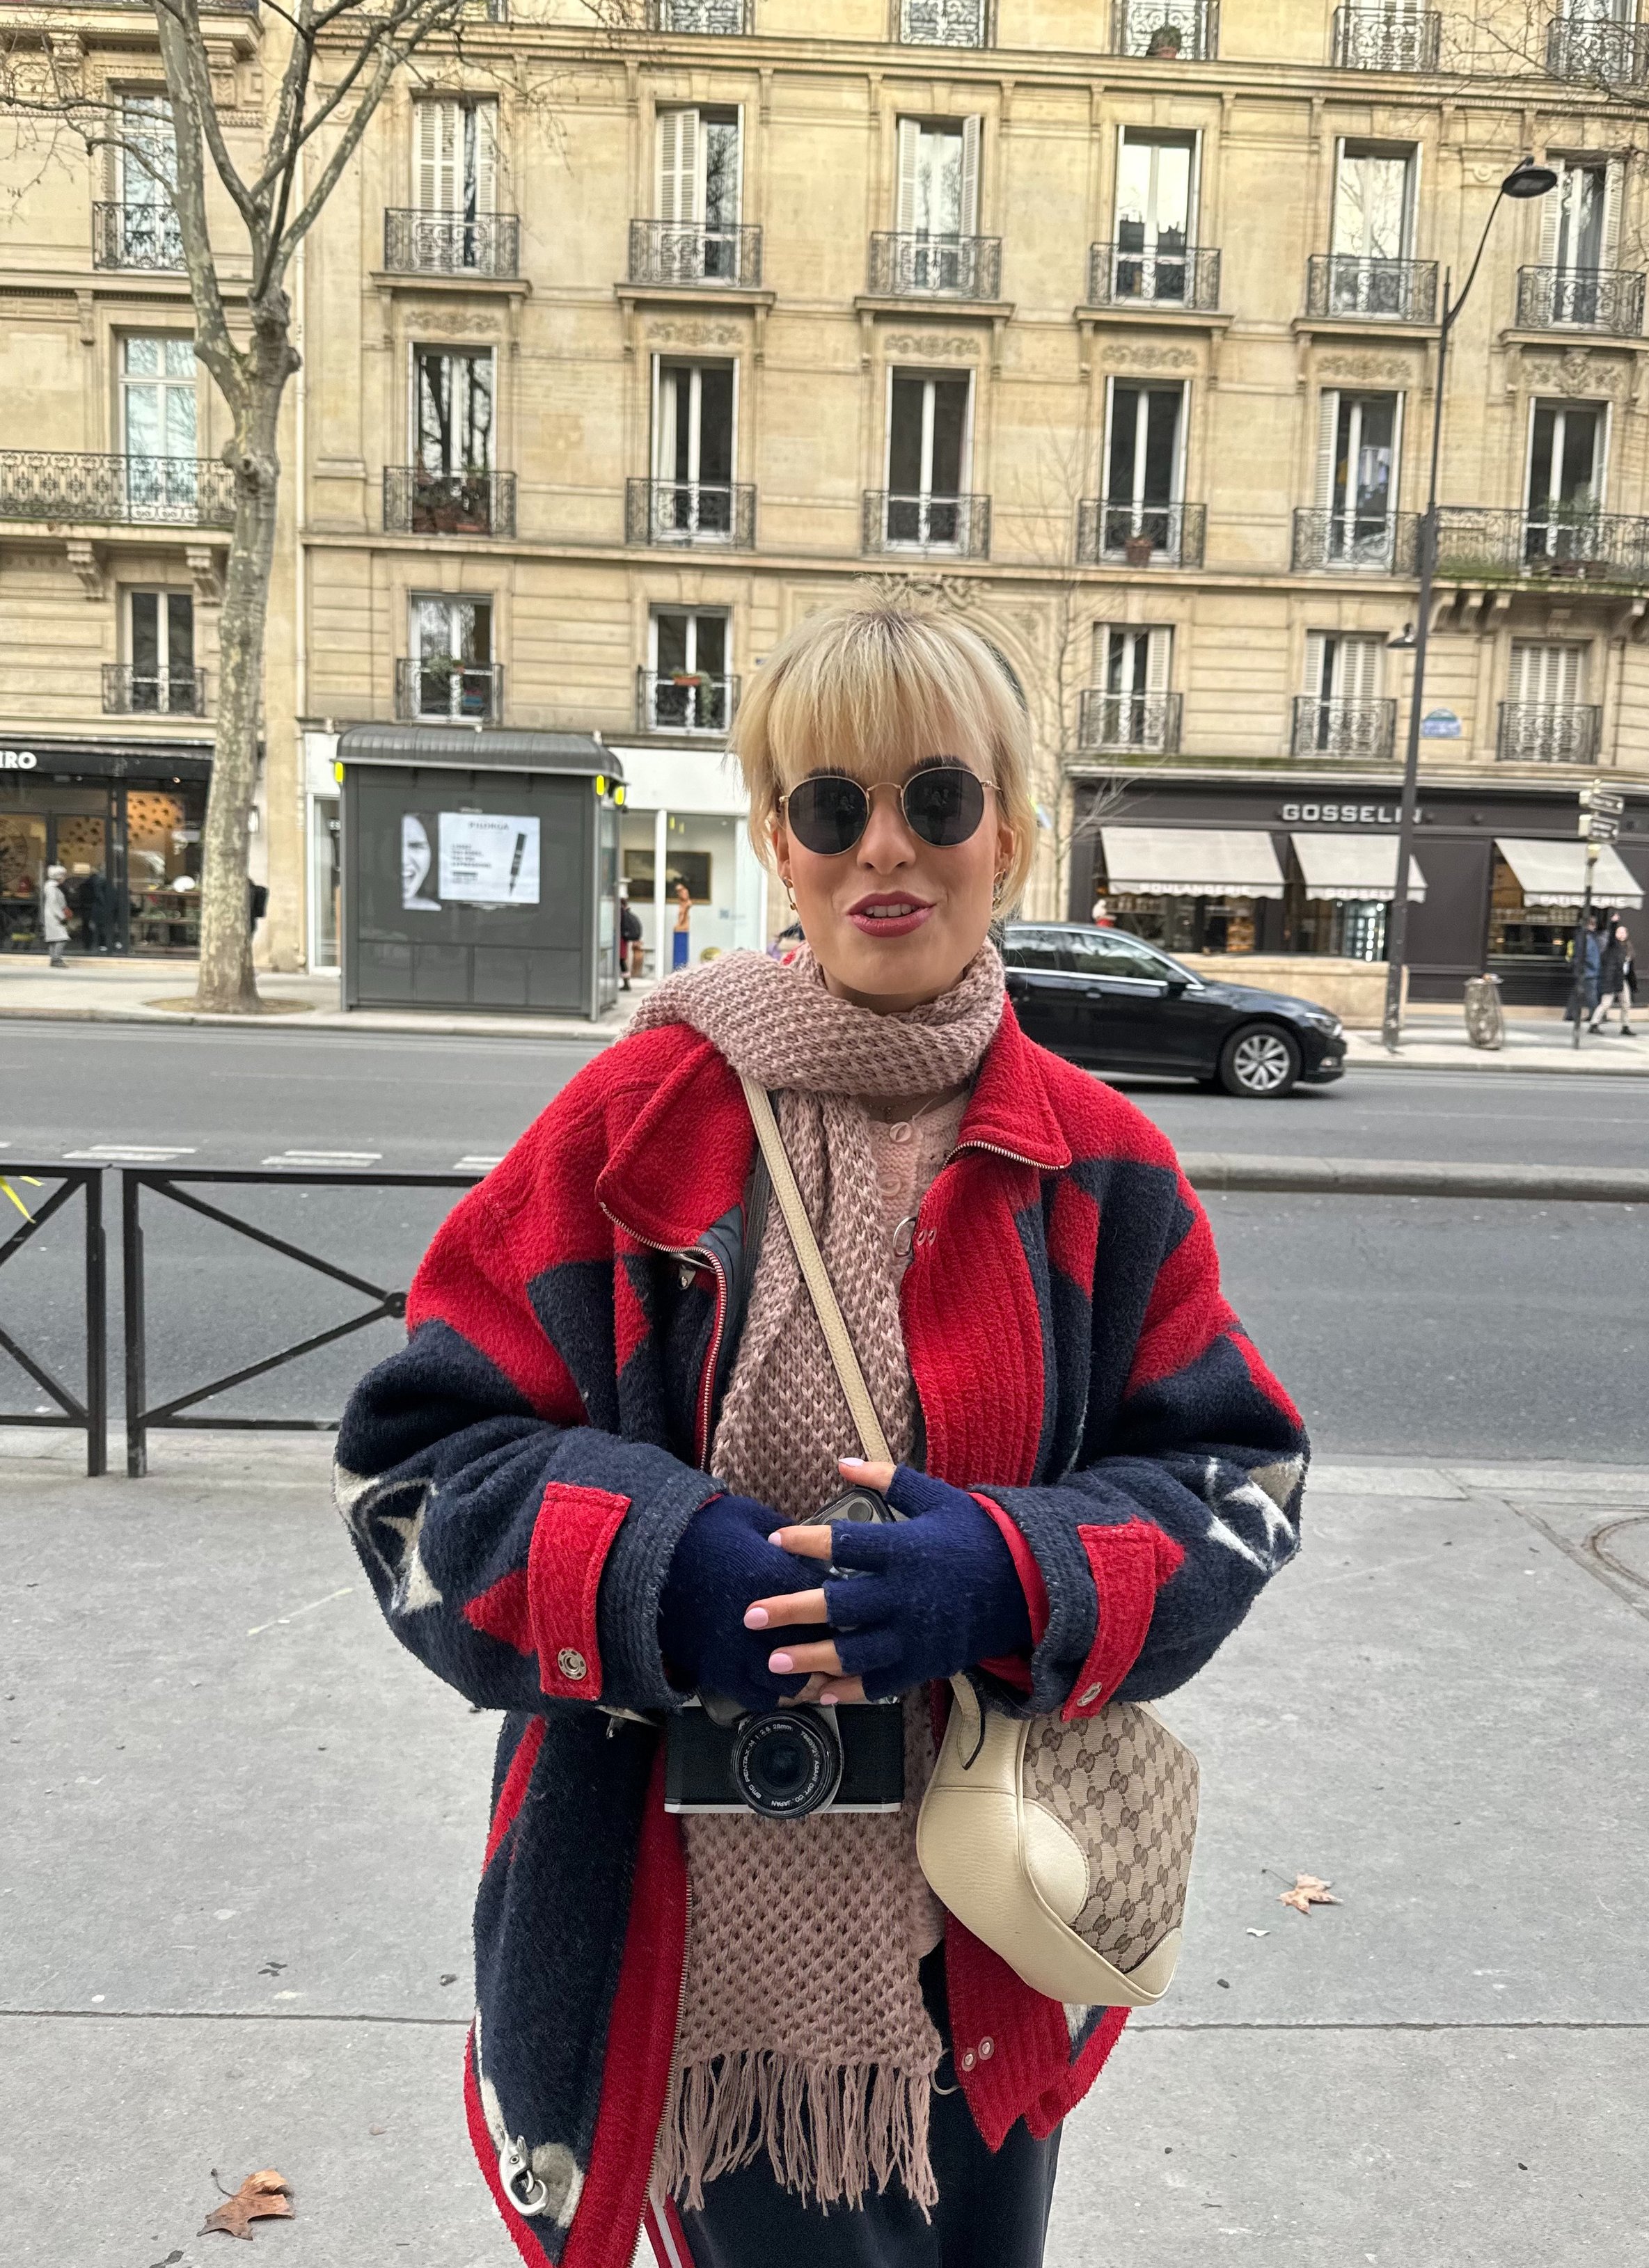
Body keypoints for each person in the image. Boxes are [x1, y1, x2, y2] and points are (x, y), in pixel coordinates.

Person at [334, 605, 1308, 2268]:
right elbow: (414, 1471)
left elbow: (1241, 1481)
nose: (884, 849)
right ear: (775, 836)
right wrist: (657, 1570)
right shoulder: (629, 1124)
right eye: (828, 804)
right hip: (677, 1935)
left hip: (995, 1926)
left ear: (1008, 825)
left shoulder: (1097, 1161)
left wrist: (1007, 1576)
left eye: (936, 799)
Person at [1589, 920, 1636, 1036]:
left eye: (1623, 933)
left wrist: (1633, 984)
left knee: (1626, 1003)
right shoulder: (1612, 946)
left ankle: (1625, 1026)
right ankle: (1594, 1024)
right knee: (1606, 1003)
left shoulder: (1629, 949)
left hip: (1622, 979)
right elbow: (1611, 938)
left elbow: (1630, 969)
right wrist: (1614, 923)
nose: (1621, 935)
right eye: (1619, 932)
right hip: (1611, 978)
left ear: (1627, 935)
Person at [1563, 914, 1600, 1028]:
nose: (1594, 927)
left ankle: (1570, 1014)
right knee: (1591, 994)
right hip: (1588, 971)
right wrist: (1595, 967)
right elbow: (1588, 955)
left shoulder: (1580, 936)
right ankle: (1595, 1015)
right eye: (1593, 924)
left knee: (1576, 993)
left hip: (1581, 970)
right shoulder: (1588, 937)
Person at [40, 864, 70, 967]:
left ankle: (54, 959)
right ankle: (56, 959)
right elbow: (54, 904)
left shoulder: (52, 888)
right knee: (62, 937)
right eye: (63, 876)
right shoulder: (52, 889)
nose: (64, 878)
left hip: (51, 916)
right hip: (54, 917)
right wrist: (62, 916)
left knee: (54, 938)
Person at [619, 891, 643, 988]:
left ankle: (626, 983)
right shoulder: (626, 912)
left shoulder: (621, 912)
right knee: (622, 961)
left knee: (621, 961)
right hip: (623, 940)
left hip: (620, 940)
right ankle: (626, 982)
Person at [671, 876, 693, 971]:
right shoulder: (682, 904)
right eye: (678, 892)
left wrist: (679, 925)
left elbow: (683, 915)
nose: (680, 894)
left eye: (682, 891)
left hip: (683, 928)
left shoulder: (687, 904)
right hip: (681, 928)